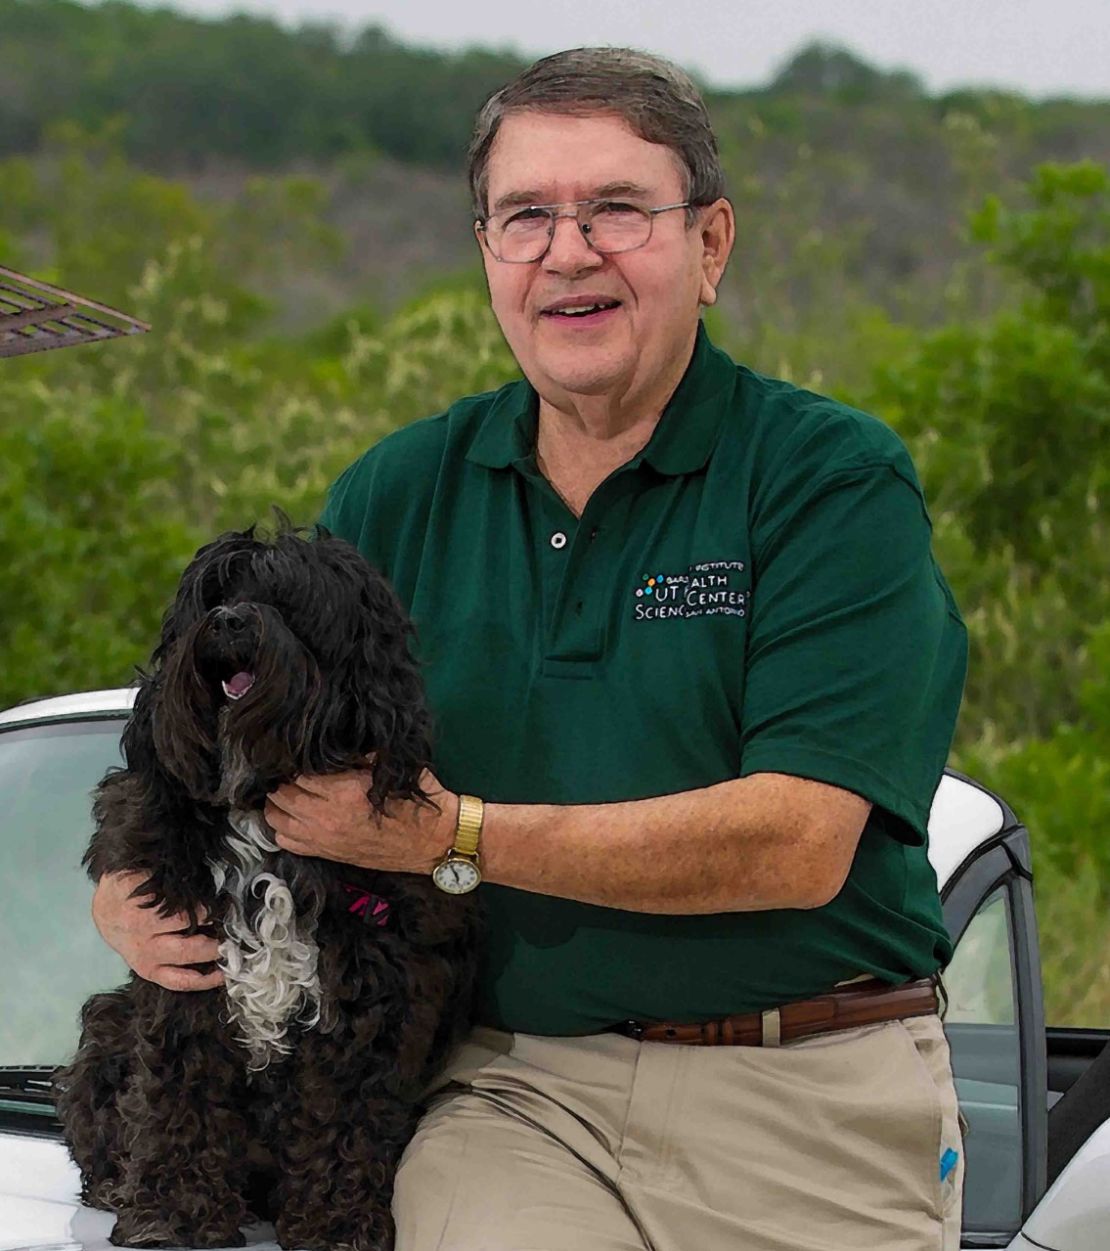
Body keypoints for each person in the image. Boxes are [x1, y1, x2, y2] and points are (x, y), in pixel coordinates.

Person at [92, 47, 970, 1251]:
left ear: (712, 245)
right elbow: (221, 729)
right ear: (488, 254)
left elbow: (799, 842)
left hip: (806, 1085)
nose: (570, 251)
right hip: (511, 1087)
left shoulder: (829, 481)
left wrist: (452, 837)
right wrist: (127, 885)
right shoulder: (396, 495)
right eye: (527, 216)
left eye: (616, 208)